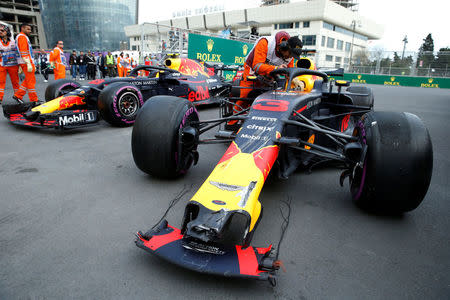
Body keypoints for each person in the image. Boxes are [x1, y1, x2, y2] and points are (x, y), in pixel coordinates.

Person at [228, 31, 303, 127]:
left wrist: (295, 80)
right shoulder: (265, 43)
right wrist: (276, 68)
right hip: (252, 70)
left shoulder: (290, 56)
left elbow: (289, 72)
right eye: (290, 54)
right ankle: (232, 123)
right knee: (246, 96)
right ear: (284, 47)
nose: (290, 57)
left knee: (268, 98)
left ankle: (260, 121)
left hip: (269, 73)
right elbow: (257, 66)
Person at [13, 23, 38, 104]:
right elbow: (23, 51)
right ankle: (33, 100)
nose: (29, 31)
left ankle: (18, 95)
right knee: (30, 81)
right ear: (22, 28)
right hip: (26, 61)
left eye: (30, 29)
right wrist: (28, 63)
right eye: (28, 29)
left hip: (25, 61)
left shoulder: (21, 37)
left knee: (28, 80)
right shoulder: (22, 37)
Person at [0, 24, 20, 105]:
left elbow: (18, 53)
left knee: (15, 82)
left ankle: (18, 96)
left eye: (2, 30)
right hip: (2, 65)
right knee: (1, 82)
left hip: (13, 65)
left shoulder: (13, 42)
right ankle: (0, 97)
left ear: (7, 32)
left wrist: (20, 65)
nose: (0, 32)